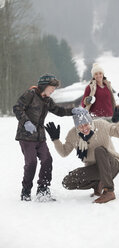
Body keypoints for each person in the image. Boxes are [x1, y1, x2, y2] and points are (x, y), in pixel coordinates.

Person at [45, 105, 119, 204]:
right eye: (80, 126)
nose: (84, 128)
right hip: (94, 168)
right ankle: (97, 185)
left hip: (111, 164)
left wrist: (118, 122)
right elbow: (64, 152)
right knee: (68, 182)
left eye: (86, 124)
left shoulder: (102, 125)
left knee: (99, 150)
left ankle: (109, 191)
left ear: (90, 121)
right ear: (76, 126)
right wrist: (55, 140)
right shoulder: (73, 135)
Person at [13, 73, 73, 201]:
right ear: (44, 85)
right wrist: (26, 122)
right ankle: (26, 191)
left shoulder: (47, 100)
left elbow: (59, 111)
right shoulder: (30, 94)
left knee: (47, 160)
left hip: (40, 137)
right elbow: (17, 107)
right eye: (52, 87)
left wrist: (73, 111)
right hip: (26, 136)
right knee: (31, 163)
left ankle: (43, 190)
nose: (53, 90)